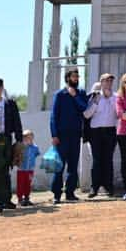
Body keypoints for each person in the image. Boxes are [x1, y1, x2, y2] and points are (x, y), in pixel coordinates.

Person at [49, 67, 87, 204]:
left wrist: (75, 96)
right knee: (59, 166)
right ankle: (56, 194)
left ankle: (70, 193)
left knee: (73, 165)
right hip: (62, 135)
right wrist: (54, 134)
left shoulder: (81, 93)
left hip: (76, 134)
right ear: (67, 78)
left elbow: (84, 108)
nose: (76, 79)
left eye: (77, 77)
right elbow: (53, 116)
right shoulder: (59, 94)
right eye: (73, 77)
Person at [84, 72, 118, 197]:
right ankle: (95, 188)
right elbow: (86, 115)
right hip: (96, 131)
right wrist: (96, 102)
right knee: (97, 160)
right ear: (101, 83)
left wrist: (110, 99)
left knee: (108, 159)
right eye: (106, 80)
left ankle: (109, 186)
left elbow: (118, 113)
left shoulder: (116, 96)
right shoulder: (94, 97)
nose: (109, 83)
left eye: (110, 81)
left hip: (110, 130)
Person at [15, 129, 40, 207]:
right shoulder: (21, 146)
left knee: (28, 184)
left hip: (30, 169)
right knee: (20, 184)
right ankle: (20, 199)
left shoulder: (34, 147)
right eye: (26, 138)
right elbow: (17, 155)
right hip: (21, 169)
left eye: (30, 138)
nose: (28, 140)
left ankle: (27, 198)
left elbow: (36, 154)